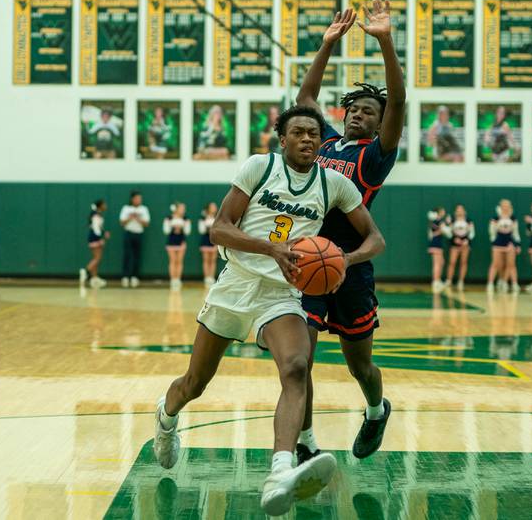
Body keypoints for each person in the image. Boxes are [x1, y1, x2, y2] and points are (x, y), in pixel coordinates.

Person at [151, 105, 386, 516]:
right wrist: (270, 248)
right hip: (236, 284)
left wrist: (345, 260)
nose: (308, 139)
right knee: (194, 383)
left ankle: (281, 469)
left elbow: (376, 240)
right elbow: (220, 227)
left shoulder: (334, 184)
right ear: (283, 138)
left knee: (297, 366)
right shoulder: (260, 167)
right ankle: (166, 418)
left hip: (281, 294)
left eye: (314, 133)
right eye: (298, 132)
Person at [295, 0, 406, 464]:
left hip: (350, 266)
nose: (359, 114)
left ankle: (377, 411)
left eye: (368, 111)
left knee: (360, 365)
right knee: (299, 362)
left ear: (381, 123)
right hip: (307, 261)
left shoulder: (375, 156)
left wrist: (384, 41)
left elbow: (398, 100)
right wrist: (325, 46)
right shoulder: (323, 144)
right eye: (354, 109)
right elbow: (304, 103)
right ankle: (304, 442)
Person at [487, 199, 521, 293]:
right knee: (496, 264)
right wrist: (493, 242)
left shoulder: (513, 218)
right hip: (498, 243)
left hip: (510, 243)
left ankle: (513, 284)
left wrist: (517, 244)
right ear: (500, 207)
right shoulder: (495, 218)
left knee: (511, 264)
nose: (506, 207)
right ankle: (490, 284)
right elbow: (492, 231)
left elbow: (516, 233)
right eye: (504, 206)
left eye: (508, 206)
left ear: (510, 207)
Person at [119, 191, 150, 288]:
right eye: (137, 198)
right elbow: (122, 222)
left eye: (140, 198)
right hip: (128, 233)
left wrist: (138, 218)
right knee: (127, 255)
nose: (139, 200)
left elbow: (146, 224)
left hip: (139, 234)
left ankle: (135, 277)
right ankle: (125, 277)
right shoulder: (126, 208)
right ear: (132, 199)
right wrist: (130, 217)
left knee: (137, 256)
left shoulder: (144, 209)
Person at [443, 204, 474, 291]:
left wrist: (467, 240)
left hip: (465, 244)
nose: (460, 211)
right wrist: (454, 239)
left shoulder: (468, 220)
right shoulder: (452, 219)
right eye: (458, 210)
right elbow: (447, 231)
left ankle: (461, 281)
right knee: (452, 262)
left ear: (464, 211)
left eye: (461, 209)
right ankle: (449, 281)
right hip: (454, 244)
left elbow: (472, 232)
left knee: (463, 262)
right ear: (456, 211)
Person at [80, 200, 109, 288]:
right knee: (97, 258)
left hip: (95, 238)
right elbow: (96, 229)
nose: (106, 205)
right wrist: (100, 239)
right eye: (104, 204)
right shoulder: (96, 215)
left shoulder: (97, 214)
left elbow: (99, 228)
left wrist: (104, 233)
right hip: (94, 238)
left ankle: (94, 278)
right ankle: (85, 272)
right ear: (100, 206)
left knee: (96, 258)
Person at [163, 203, 191, 290]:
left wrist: (183, 226)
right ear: (176, 209)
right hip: (171, 242)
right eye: (181, 208)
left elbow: (187, 232)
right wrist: (173, 226)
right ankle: (173, 279)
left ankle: (178, 279)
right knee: (173, 260)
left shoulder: (185, 219)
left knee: (179, 261)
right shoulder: (169, 218)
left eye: (184, 209)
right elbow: (166, 231)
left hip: (181, 242)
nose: (183, 210)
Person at [427, 207, 448, 292]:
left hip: (438, 244)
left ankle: (438, 280)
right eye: (442, 211)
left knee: (441, 262)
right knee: (437, 264)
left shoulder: (437, 221)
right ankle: (435, 282)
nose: (444, 212)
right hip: (435, 244)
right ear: (439, 212)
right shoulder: (438, 221)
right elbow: (445, 231)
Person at [198, 202, 219, 286]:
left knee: (213, 260)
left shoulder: (217, 218)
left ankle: (212, 277)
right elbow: (201, 230)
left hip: (215, 240)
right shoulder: (203, 218)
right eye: (212, 207)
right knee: (206, 259)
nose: (214, 208)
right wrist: (209, 228)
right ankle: (206, 277)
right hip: (206, 240)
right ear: (208, 208)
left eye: (215, 206)